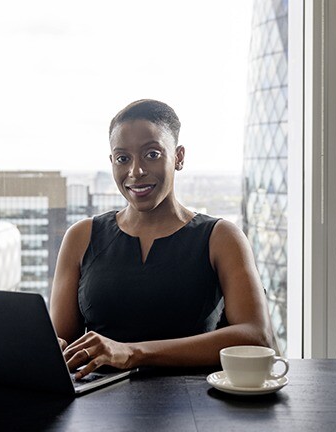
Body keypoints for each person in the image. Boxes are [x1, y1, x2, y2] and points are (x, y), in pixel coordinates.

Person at [50, 99, 273, 379]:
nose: (135, 171)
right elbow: (62, 345)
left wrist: (133, 353)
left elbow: (257, 336)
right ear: (112, 162)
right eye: (123, 158)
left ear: (178, 157)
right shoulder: (81, 236)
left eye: (152, 154)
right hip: (97, 408)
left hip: (195, 407)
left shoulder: (221, 238)